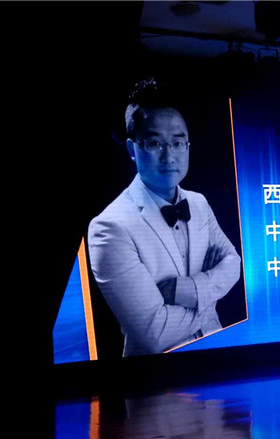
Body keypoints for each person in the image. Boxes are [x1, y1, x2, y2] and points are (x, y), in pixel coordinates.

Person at [88, 77, 241, 357]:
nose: (169, 155)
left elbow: (234, 264)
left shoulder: (198, 203)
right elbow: (153, 334)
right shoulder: (109, 226)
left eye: (178, 142)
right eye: (155, 143)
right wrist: (210, 297)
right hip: (159, 375)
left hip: (219, 353)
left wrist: (185, 291)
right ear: (132, 149)